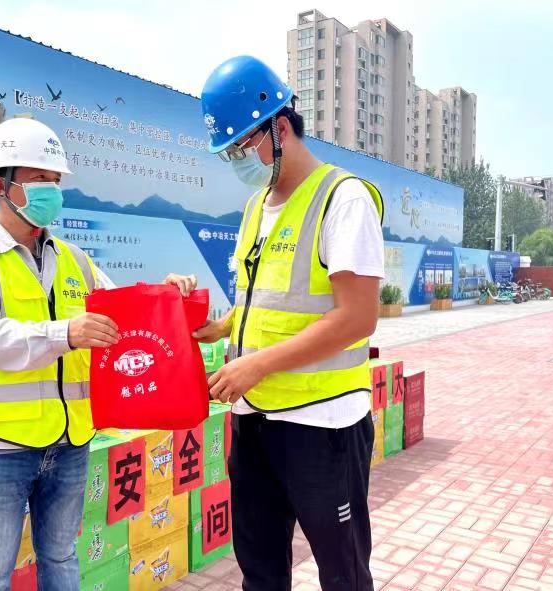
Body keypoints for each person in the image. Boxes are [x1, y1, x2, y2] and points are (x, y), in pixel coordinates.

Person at [0, 117, 195, 591]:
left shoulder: (74, 259)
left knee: (61, 556)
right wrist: (65, 334)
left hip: (71, 440)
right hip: (0, 445)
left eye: (56, 180)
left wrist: (167, 294)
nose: (51, 191)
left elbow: (125, 313)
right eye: (39, 179)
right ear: (1, 185)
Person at [194, 56, 384, 591]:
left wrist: (257, 365)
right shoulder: (256, 208)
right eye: (230, 152)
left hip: (323, 425)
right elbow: (269, 300)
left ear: (280, 128)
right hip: (255, 419)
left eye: (242, 146)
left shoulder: (342, 199)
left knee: (343, 573)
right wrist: (223, 327)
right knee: (260, 569)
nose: (238, 160)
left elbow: (357, 316)